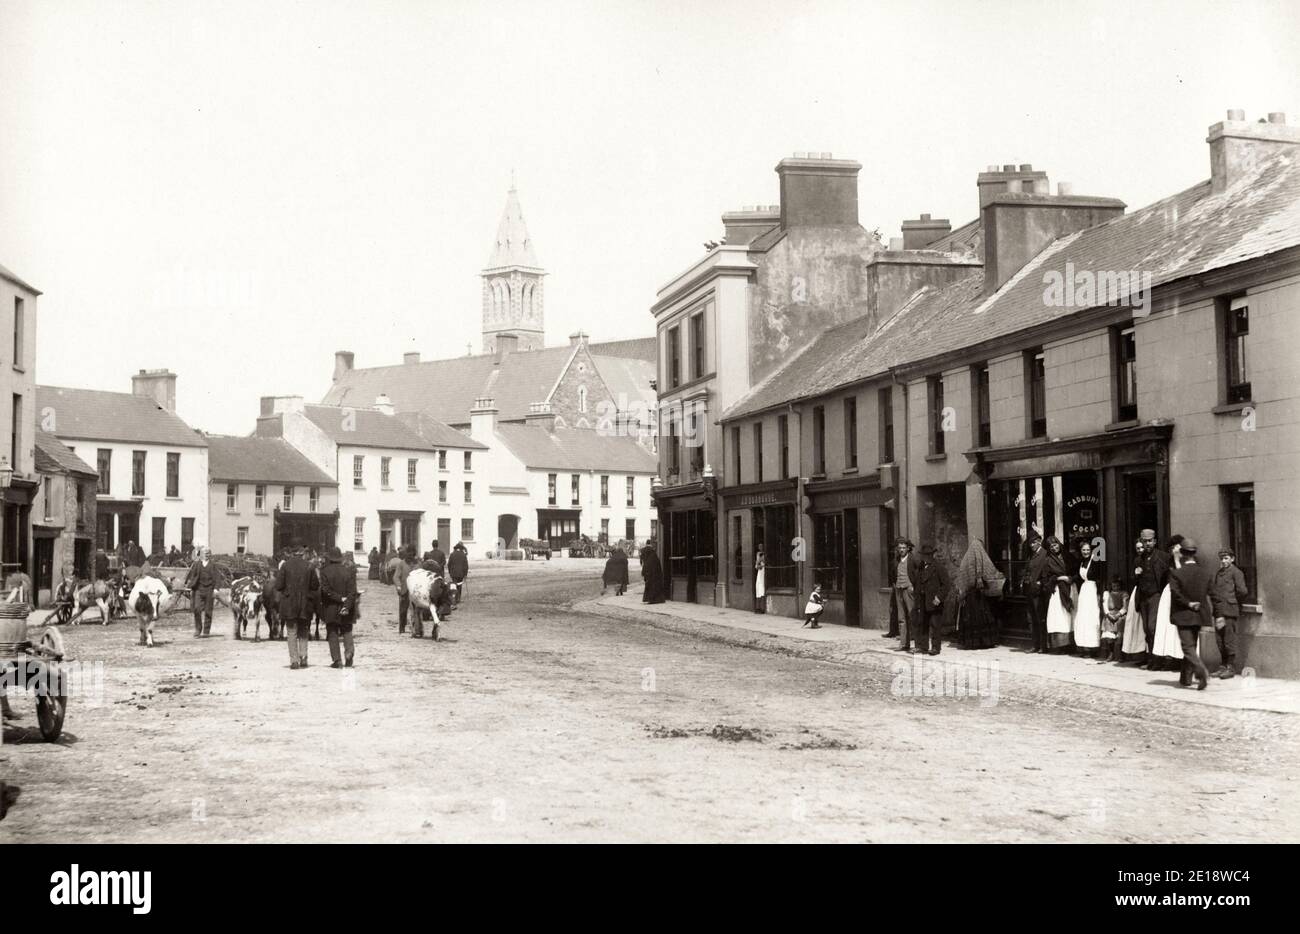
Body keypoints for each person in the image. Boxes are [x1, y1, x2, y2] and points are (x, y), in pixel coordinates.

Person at [1168, 537, 1212, 690]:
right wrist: (1217, 615)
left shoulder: (1177, 574)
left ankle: (1201, 671)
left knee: (1187, 647)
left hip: (1183, 614)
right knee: (1191, 645)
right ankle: (1185, 678)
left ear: (1182, 553)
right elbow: (1212, 594)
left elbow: (1176, 593)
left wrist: (1188, 603)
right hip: (1199, 615)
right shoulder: (1205, 573)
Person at [275, 540, 319, 669]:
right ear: (301, 552)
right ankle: (304, 657)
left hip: (289, 604)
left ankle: (294, 661)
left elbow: (278, 585)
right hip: (305, 604)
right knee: (303, 631)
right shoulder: (309, 566)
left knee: (291, 632)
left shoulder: (285, 566)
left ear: (291, 552)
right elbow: (315, 586)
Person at [1133, 529, 1171, 669]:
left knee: (1152, 627)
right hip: (1143, 597)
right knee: (1146, 629)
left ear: (1155, 541)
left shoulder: (1163, 557)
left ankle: (1158, 660)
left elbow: (1169, 576)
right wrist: (1136, 575)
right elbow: (1135, 581)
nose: (1147, 543)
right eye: (1144, 541)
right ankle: (1151, 659)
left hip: (1156, 596)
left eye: (1150, 541)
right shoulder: (1138, 559)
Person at [953, 539, 999, 650]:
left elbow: (962, 578)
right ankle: (985, 641)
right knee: (982, 617)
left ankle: (972, 642)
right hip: (980, 595)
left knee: (971, 618)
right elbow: (991, 572)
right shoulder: (982, 557)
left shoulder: (966, 560)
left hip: (969, 596)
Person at [1210, 548, 1248, 679]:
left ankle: (1230, 668)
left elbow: (1242, 591)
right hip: (1219, 612)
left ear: (1232, 559)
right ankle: (1223, 666)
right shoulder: (1219, 573)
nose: (1223, 561)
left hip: (1230, 611)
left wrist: (1232, 601)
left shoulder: (1236, 573)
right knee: (1219, 640)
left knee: (1228, 640)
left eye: (1226, 558)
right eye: (1221, 558)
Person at [1149, 535, 1185, 670]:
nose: (1173, 550)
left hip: (1181, 594)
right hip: (1169, 593)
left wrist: (1177, 559)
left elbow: (1182, 576)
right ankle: (1171, 658)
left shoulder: (1187, 560)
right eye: (1171, 548)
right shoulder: (1169, 561)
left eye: (1175, 547)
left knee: (1178, 628)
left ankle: (1181, 659)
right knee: (1168, 628)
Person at [319, 546, 359, 668]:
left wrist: (338, 598)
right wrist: (346, 605)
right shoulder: (348, 571)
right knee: (347, 630)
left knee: (332, 632)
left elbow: (325, 590)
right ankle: (349, 652)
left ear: (329, 558)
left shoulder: (324, 572)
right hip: (347, 607)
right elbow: (353, 592)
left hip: (331, 607)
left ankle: (337, 660)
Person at [1071, 538, 1104, 658]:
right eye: (1083, 550)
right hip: (1084, 591)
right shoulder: (1081, 562)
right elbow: (1079, 577)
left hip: (1092, 590)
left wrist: (1099, 593)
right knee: (1083, 618)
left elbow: (1099, 576)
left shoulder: (1094, 561)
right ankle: (1084, 647)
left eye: (1087, 550)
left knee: (1092, 617)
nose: (1085, 552)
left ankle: (1093, 647)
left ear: (1091, 550)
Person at [915, 544, 951, 654]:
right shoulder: (921, 566)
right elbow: (918, 583)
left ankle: (936, 647)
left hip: (934, 601)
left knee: (935, 624)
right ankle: (923, 646)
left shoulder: (938, 567)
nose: (926, 557)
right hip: (923, 599)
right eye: (924, 555)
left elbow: (946, 585)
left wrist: (939, 597)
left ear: (932, 555)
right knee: (923, 623)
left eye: (928, 555)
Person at [1021, 535, 1052, 653]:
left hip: (1039, 592)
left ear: (1039, 542)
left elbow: (1046, 571)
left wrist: (1041, 583)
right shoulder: (1032, 555)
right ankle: (1035, 644)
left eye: (1033, 543)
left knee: (1040, 618)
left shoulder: (1044, 554)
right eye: (1030, 543)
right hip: (1030, 590)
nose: (1031, 545)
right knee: (1033, 618)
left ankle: (1043, 646)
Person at [1043, 536, 1074, 653]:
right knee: (1059, 617)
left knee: (1070, 615)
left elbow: (1077, 571)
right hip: (1058, 591)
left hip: (1070, 588)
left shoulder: (1068, 557)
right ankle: (1060, 645)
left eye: (1055, 545)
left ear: (1059, 544)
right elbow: (1045, 578)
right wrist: (1057, 578)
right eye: (1051, 547)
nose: (1054, 548)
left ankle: (1071, 643)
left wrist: (1070, 578)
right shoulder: (1048, 560)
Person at [888, 538, 921, 645]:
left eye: (903, 548)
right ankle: (904, 644)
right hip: (898, 590)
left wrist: (913, 586)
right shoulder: (895, 561)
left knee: (912, 616)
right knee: (901, 618)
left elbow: (919, 574)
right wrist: (895, 585)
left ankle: (917, 644)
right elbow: (892, 574)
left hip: (908, 589)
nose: (901, 550)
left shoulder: (913, 560)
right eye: (899, 548)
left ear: (908, 548)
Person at [183, 545, 221, 637]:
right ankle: (198, 629)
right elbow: (192, 576)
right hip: (199, 589)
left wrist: (216, 589)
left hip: (209, 590)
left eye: (208, 553)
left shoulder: (213, 565)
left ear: (210, 554)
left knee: (208, 611)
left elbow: (217, 578)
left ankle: (206, 631)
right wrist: (189, 585)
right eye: (205, 553)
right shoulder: (197, 564)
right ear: (201, 554)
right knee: (197, 609)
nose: (207, 555)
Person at [1101, 579, 1128, 662]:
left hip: (1119, 615)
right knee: (1109, 636)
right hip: (1110, 615)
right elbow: (1105, 606)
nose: (1115, 588)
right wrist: (1108, 614)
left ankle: (1120, 654)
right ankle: (1111, 653)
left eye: (1117, 586)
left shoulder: (1124, 594)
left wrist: (1118, 615)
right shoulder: (1107, 594)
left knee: (1119, 635)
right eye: (1114, 586)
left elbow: (1125, 607)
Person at [394, 544, 414, 635]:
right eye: (408, 554)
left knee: (416, 610)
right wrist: (398, 586)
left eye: (412, 555)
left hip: (415, 591)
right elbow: (396, 577)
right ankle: (402, 627)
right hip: (404, 590)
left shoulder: (418, 564)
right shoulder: (401, 564)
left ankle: (415, 628)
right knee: (403, 610)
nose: (410, 557)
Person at [448, 542, 469, 606]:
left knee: (454, 585)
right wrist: (465, 574)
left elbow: (449, 564)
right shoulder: (463, 555)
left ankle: (454, 598)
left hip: (453, 573)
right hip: (461, 573)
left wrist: (450, 572)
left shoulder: (452, 554)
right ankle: (458, 598)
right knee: (459, 586)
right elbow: (466, 565)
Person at [753, 545, 767, 614]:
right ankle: (758, 608)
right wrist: (760, 565)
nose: (760, 547)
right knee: (759, 590)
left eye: (762, 546)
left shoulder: (764, 555)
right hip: (760, 575)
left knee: (762, 590)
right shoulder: (759, 555)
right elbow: (756, 566)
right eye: (759, 546)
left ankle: (761, 608)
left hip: (763, 575)